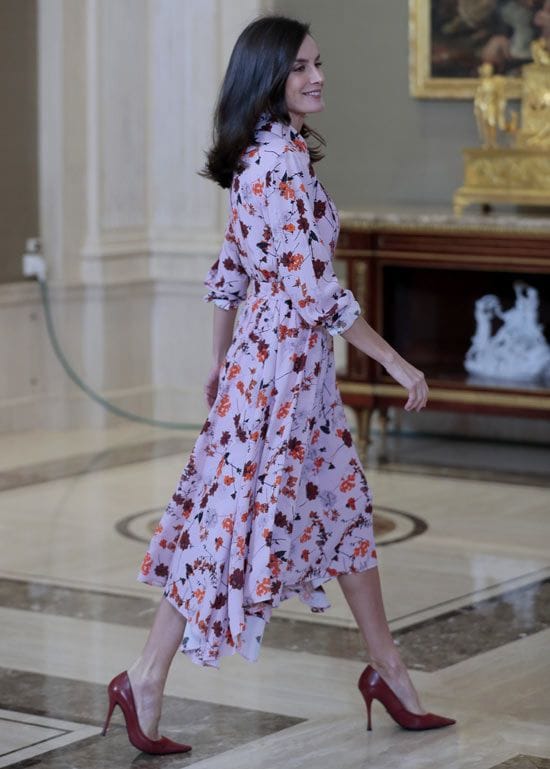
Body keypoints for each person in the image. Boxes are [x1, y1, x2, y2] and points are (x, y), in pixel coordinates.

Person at [101, 15, 455, 755]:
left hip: (283, 371)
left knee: (343, 509)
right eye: (301, 67)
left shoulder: (269, 154)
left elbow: (235, 271)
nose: (317, 75)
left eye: (319, 62)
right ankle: (146, 676)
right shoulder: (279, 165)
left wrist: (218, 360)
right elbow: (312, 291)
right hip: (278, 378)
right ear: (269, 78)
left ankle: (388, 666)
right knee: (221, 528)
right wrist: (394, 362)